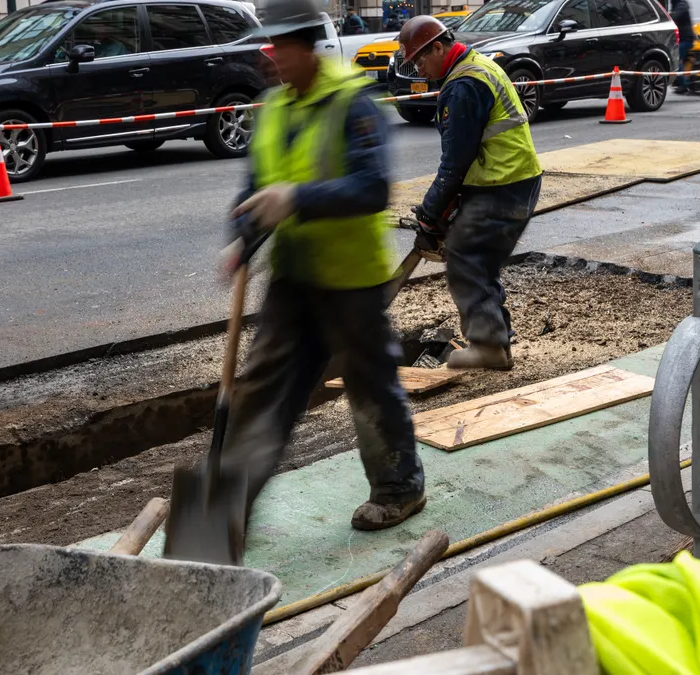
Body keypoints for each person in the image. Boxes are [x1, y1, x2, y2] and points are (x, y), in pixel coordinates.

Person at [219, 0, 426, 531]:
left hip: (351, 278)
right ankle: (224, 514)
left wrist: (296, 199)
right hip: (293, 278)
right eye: (271, 46)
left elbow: (372, 187)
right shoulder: (274, 107)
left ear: (308, 45)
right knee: (263, 390)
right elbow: (254, 188)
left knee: (369, 380)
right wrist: (240, 238)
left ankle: (399, 488)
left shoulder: (353, 104)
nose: (273, 56)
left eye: (282, 46)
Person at [398, 16, 543, 370]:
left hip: (502, 184)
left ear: (438, 46)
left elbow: (455, 162)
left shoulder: (464, 84)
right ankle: (495, 339)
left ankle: (489, 346)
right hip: (509, 179)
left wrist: (431, 212)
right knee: (480, 257)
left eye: (420, 58)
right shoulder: (475, 66)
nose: (418, 67)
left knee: (465, 255)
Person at [671, 0, 695, 94]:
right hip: (682, 37)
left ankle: (684, 84)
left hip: (686, 38)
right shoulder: (677, 4)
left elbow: (675, 16)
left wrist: (668, 16)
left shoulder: (682, 4)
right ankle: (681, 80)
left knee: (678, 60)